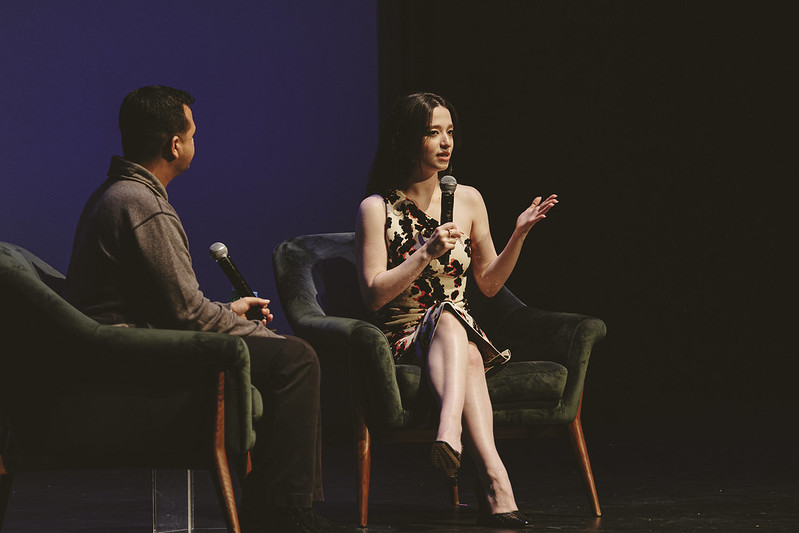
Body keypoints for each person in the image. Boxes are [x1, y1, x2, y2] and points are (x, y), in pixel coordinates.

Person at [64, 85, 350, 533]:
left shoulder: (120, 193)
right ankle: (285, 514)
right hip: (135, 356)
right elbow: (187, 315)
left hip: (138, 340)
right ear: (174, 144)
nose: (196, 143)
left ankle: (268, 507)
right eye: (193, 134)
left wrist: (232, 312)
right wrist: (258, 334)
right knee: (295, 359)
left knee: (285, 355)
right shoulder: (141, 205)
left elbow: (171, 303)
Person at [355, 92, 557, 529]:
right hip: (404, 337)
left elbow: (487, 283)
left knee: (460, 338)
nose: (446, 142)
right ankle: (474, 458)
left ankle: (483, 468)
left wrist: (518, 235)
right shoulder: (376, 209)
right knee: (449, 319)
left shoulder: (467, 199)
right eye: (433, 133)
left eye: (449, 132)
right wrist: (424, 252)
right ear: (408, 139)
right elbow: (373, 296)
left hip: (459, 336)